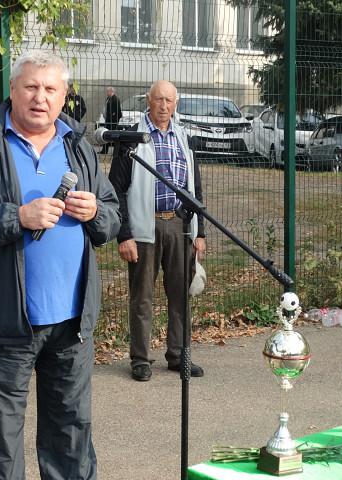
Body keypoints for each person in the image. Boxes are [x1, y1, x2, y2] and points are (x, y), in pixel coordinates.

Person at [0, 51, 120, 480]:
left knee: (71, 437)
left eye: (50, 89)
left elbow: (111, 214)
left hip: (72, 324)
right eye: (31, 87)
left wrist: (96, 214)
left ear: (64, 96)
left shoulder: (78, 146)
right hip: (4, 322)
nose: (40, 97)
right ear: (12, 92)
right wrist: (15, 217)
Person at [108, 80, 206, 382]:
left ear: (176, 104)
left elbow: (195, 187)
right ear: (148, 101)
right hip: (143, 226)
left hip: (178, 224)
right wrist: (124, 235)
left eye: (169, 100)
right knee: (142, 297)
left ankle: (179, 355)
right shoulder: (132, 139)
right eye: (158, 99)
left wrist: (199, 230)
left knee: (181, 294)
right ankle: (141, 359)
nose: (164, 106)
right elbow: (116, 189)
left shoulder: (183, 136)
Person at [100, 85, 122, 154]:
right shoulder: (108, 99)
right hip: (108, 120)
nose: (106, 93)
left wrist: (114, 119)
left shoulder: (115, 99)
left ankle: (116, 151)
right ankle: (104, 150)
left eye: (107, 91)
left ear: (111, 91)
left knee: (113, 136)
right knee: (106, 134)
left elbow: (118, 111)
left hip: (113, 121)